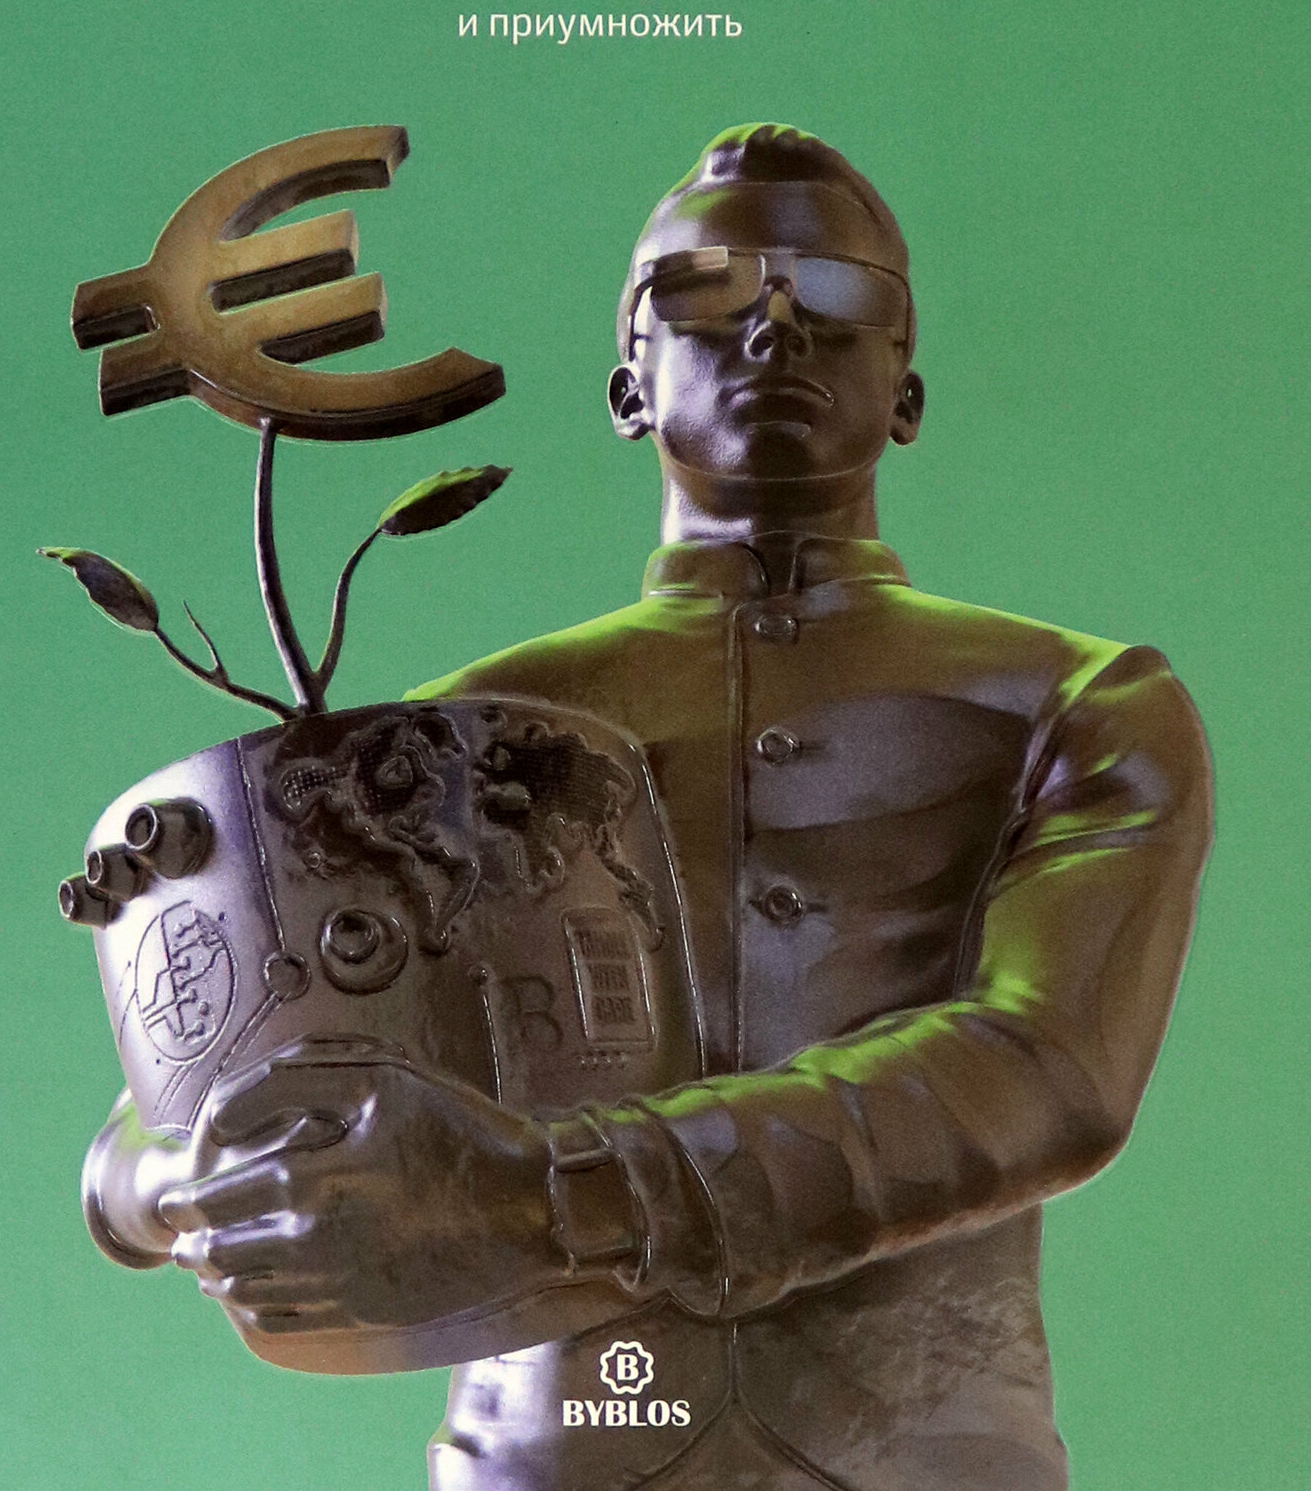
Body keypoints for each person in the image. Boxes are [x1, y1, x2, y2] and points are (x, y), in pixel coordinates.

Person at [145, 123, 1212, 1490]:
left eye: (835, 294)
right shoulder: (452, 740)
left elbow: (1048, 1072)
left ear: (907, 390)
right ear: (627, 386)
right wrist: (195, 1178)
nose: (774, 325)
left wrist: (536, 1194)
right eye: (703, 290)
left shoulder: (1079, 702)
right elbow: (185, 1108)